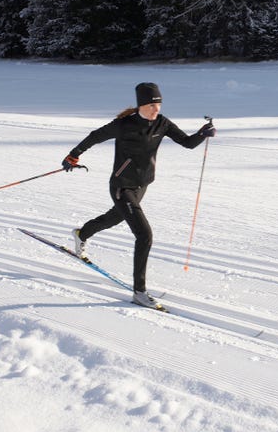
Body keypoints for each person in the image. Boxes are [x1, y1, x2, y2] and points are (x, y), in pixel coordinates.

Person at [61, 82, 215, 309]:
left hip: (141, 186)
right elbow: (95, 136)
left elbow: (187, 143)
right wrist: (73, 155)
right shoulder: (124, 125)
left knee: (114, 218)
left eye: (159, 104)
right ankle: (140, 292)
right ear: (142, 105)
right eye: (152, 105)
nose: (157, 109)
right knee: (144, 235)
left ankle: (82, 233)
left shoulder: (162, 123)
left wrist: (203, 133)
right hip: (121, 186)